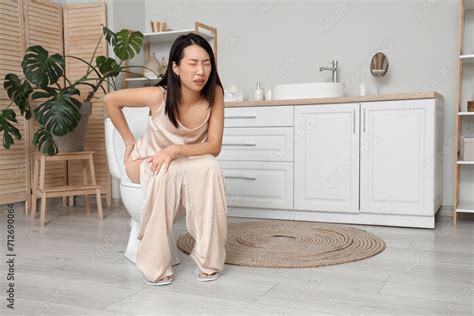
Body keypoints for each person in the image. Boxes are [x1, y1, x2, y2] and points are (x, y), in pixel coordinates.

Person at [103, 33, 228, 286]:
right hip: (146, 161)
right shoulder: (158, 95)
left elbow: (214, 147)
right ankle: (155, 263)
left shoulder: (214, 94)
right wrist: (129, 141)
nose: (200, 70)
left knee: (210, 166)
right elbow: (110, 100)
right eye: (192, 63)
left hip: (181, 161)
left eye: (206, 62)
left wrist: (175, 150)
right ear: (175, 67)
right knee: (166, 170)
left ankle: (209, 257)